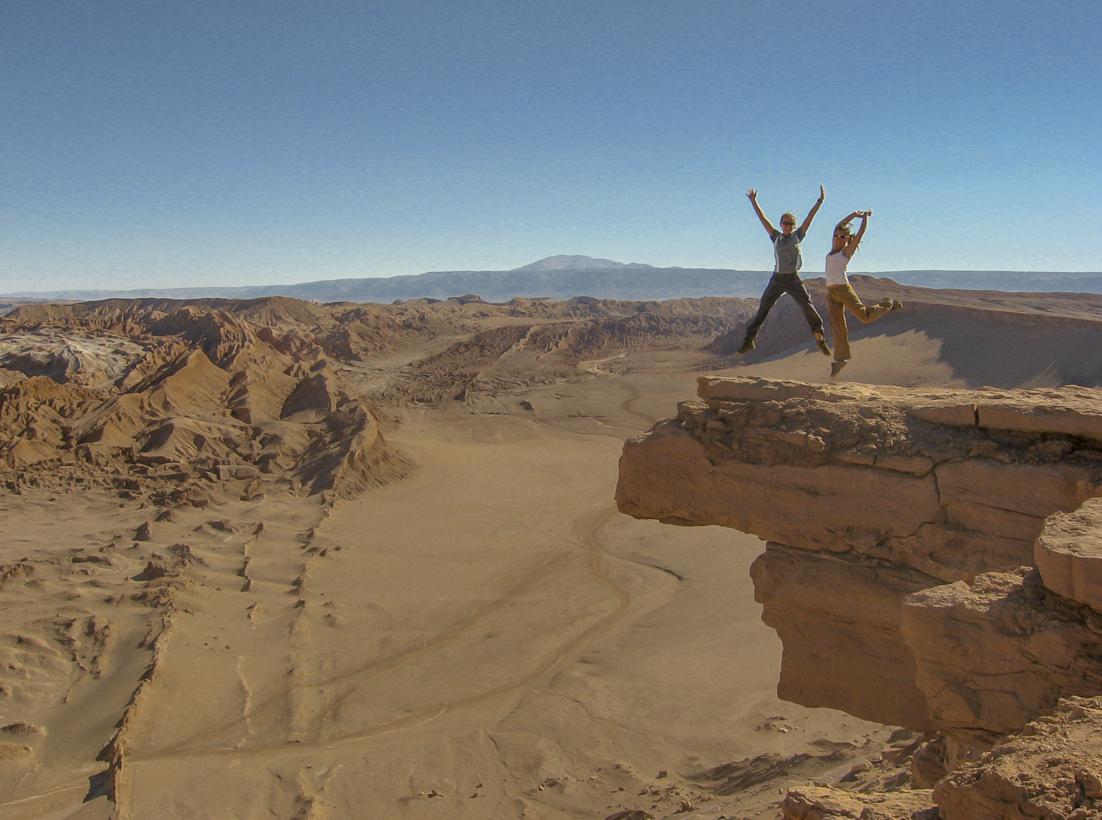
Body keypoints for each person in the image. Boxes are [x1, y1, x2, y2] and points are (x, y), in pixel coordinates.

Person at [738, 186, 831, 356]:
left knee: (807, 306)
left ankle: (820, 339)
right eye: (784, 223)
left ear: (793, 225)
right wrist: (753, 201)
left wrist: (820, 201)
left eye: (790, 223)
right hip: (777, 279)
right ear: (781, 224)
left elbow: (811, 217)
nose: (787, 225)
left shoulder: (798, 236)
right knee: (764, 306)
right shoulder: (775, 237)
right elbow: (763, 219)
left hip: (793, 279)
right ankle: (749, 340)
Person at [823, 209, 902, 377]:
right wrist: (853, 214)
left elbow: (860, 233)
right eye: (836, 235)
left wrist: (864, 219)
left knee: (864, 316)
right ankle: (840, 360)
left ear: (847, 240)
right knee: (838, 328)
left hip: (843, 290)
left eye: (842, 237)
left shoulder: (846, 252)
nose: (838, 238)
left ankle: (888, 304)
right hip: (831, 293)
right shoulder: (832, 249)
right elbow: (839, 225)